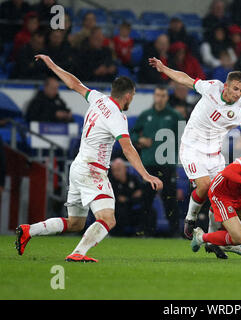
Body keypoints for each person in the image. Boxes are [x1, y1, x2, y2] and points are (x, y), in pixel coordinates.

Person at [15, 54, 162, 262]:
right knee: (108, 219)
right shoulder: (117, 116)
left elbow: (74, 84)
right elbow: (128, 148)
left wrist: (52, 64)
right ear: (128, 96)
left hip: (77, 168)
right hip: (92, 171)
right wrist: (146, 175)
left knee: (75, 223)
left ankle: (29, 230)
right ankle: (78, 254)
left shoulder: (98, 98)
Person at [148, 57, 241, 257]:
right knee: (205, 186)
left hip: (214, 154)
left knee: (223, 196)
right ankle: (190, 219)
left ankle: (212, 238)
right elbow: (186, 79)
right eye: (235, 89)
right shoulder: (212, 88)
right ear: (226, 86)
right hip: (191, 148)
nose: (238, 94)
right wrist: (164, 68)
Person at [130, 85, 184, 237]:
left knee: (170, 199)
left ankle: (175, 231)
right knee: (146, 198)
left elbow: (185, 135)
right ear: (154, 96)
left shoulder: (175, 116)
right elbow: (132, 133)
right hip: (148, 163)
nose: (160, 98)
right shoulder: (146, 115)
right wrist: (139, 139)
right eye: (158, 95)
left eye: (163, 95)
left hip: (167, 163)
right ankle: (145, 231)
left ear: (167, 98)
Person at [108, 158, 146, 237]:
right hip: (119, 210)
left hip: (133, 209)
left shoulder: (133, 179)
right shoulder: (111, 182)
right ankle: (116, 235)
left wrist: (127, 199)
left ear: (125, 169)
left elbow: (141, 193)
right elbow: (117, 199)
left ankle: (144, 234)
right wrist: (132, 197)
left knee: (149, 210)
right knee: (118, 211)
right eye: (114, 170)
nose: (116, 173)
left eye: (118, 170)